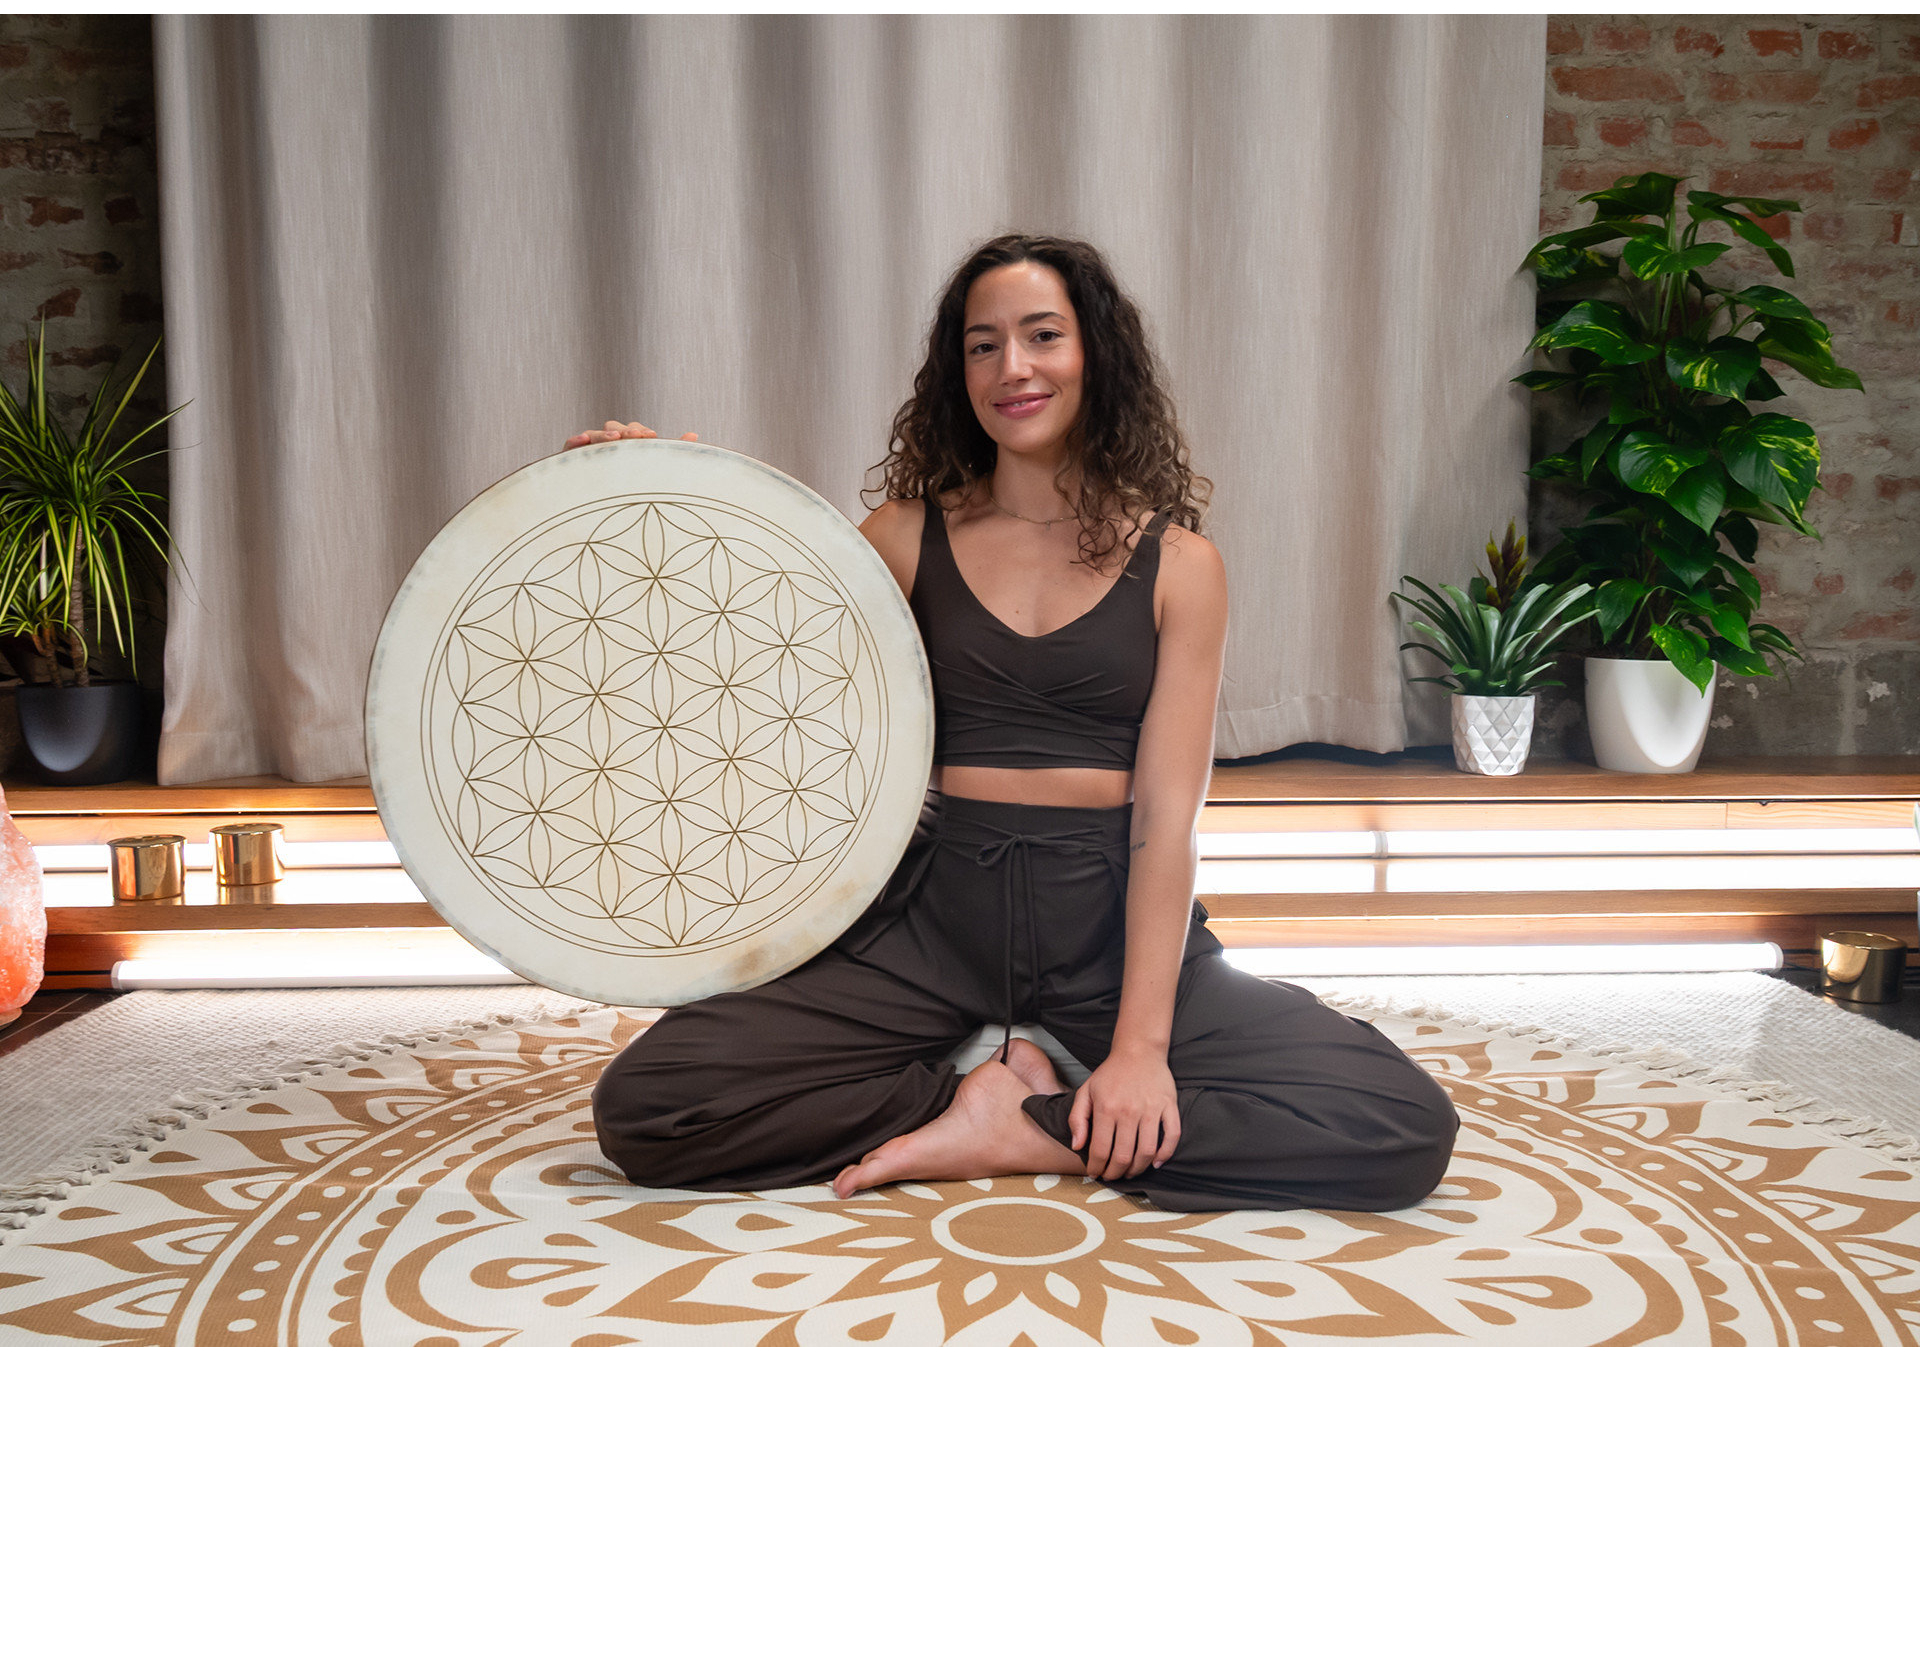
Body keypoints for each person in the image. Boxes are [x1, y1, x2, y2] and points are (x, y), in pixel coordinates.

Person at [570, 234, 1459, 1212]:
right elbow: (747, 664)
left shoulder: (1180, 565)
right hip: (929, 914)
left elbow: (1167, 817)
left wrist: (1139, 1051)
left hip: (1106, 921)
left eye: (1042, 335)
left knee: (1399, 1119)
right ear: (958, 373)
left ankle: (1034, 1124)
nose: (1013, 368)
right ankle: (962, 1098)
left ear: (1095, 354)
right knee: (650, 1107)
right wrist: (651, 495)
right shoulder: (904, 535)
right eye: (982, 345)